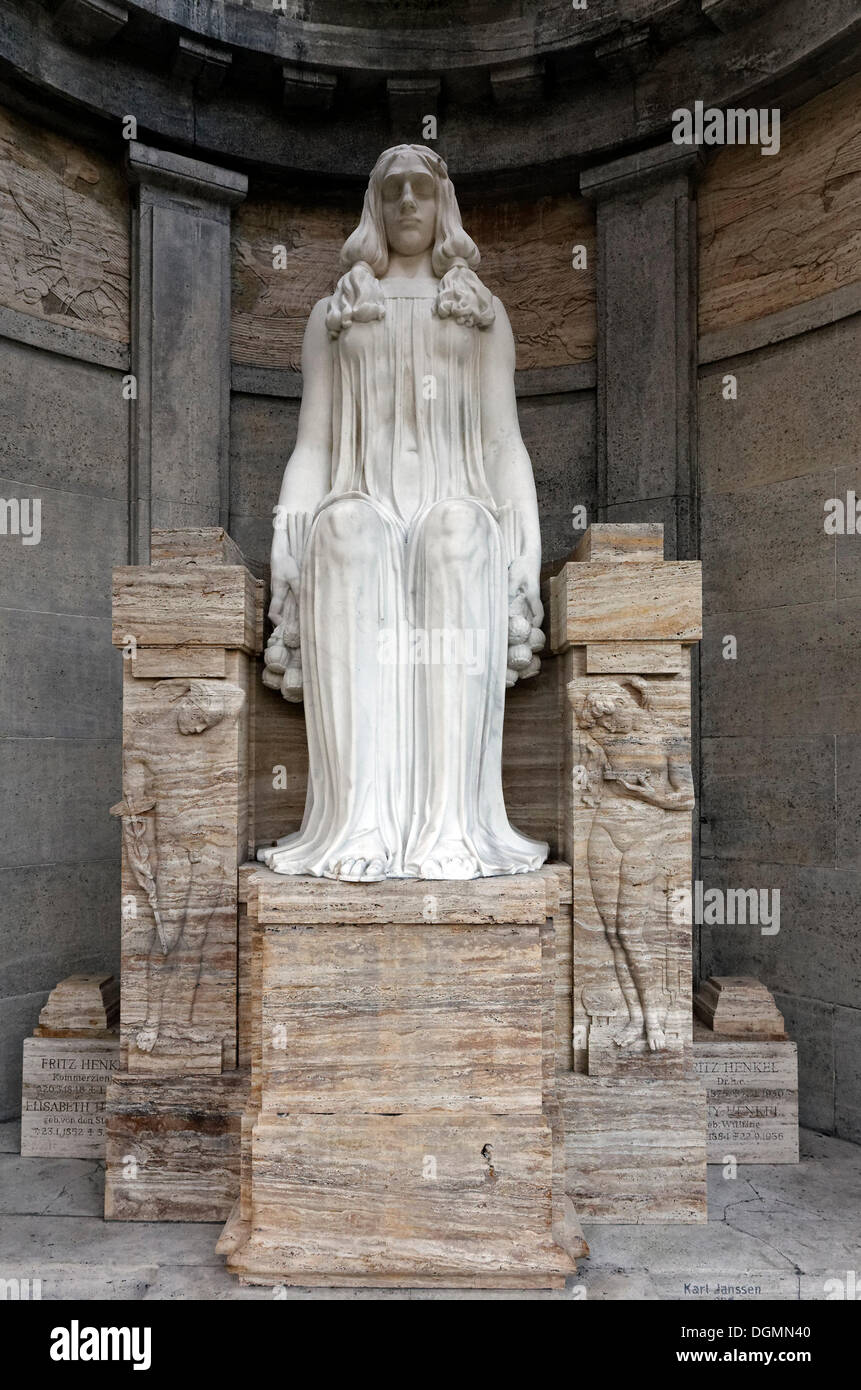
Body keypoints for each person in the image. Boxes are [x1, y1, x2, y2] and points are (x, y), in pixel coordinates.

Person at [259, 143, 547, 882]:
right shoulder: (336, 315)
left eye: (423, 189)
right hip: (364, 503)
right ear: (375, 207)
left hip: (455, 509)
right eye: (395, 191)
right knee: (342, 530)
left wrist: (527, 545)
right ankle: (359, 824)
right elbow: (314, 446)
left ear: (442, 204)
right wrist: (286, 535)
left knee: (457, 535)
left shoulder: (480, 315)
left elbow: (502, 441)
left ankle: (449, 826)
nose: (410, 202)